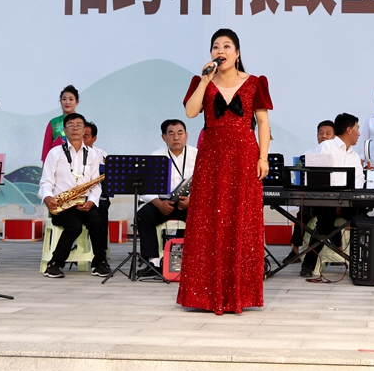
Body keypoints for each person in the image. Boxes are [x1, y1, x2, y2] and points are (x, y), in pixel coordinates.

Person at [179, 28, 272, 315]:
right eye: (216, 46)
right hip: (211, 158)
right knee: (208, 220)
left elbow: (263, 122)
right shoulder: (201, 81)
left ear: (237, 53)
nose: (221, 51)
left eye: (227, 46)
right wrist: (205, 80)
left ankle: (239, 293)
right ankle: (205, 295)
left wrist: (263, 158)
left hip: (245, 157)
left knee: (241, 220)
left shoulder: (255, 82)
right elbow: (190, 112)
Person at [39, 113, 109, 279]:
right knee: (74, 226)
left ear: (84, 130)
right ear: (65, 130)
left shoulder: (93, 155)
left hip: (83, 203)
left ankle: (99, 263)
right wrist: (48, 198)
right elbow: (46, 181)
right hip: (62, 205)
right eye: (71, 125)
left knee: (97, 221)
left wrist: (91, 202)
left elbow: (95, 185)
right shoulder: (55, 153)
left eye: (79, 125)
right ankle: (55, 264)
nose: (75, 128)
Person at [300, 113, 365, 277]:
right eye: (357, 128)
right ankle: (308, 263)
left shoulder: (354, 155)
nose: (359, 133)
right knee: (325, 224)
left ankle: (358, 262)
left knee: (363, 219)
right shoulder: (327, 147)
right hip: (325, 201)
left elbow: (359, 180)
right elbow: (318, 178)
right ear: (349, 130)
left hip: (348, 202)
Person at [134, 119, 196, 271]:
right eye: (171, 134)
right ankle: (153, 262)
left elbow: (207, 185)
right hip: (163, 202)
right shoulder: (156, 156)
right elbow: (145, 187)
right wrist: (158, 203)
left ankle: (189, 260)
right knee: (143, 215)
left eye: (180, 133)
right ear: (164, 137)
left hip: (189, 202)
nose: (176, 137)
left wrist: (192, 201)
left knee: (202, 216)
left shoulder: (198, 155)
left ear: (186, 135)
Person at [284, 120, 336, 263]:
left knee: (329, 217)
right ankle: (295, 250)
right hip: (310, 197)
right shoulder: (307, 154)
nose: (324, 136)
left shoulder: (337, 155)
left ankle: (338, 251)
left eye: (328, 133)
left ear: (335, 136)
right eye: (321, 133)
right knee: (303, 214)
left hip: (331, 199)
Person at [41, 85, 80, 163]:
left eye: (71, 99)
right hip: (57, 164)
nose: (67, 102)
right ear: (60, 102)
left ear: (77, 102)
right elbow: (46, 151)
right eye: (64, 99)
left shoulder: (83, 123)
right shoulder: (53, 122)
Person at [82, 121, 109, 221]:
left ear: (94, 139)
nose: (82, 140)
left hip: (98, 195)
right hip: (76, 196)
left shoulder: (102, 155)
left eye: (85, 137)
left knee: (101, 209)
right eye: (80, 136)